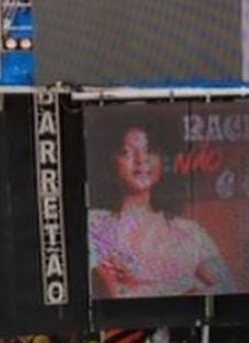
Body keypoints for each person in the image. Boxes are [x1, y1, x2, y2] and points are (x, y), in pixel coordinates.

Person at [88, 124, 234, 298]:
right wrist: (191, 283)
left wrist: (141, 284)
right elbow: (121, 295)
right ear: (110, 161)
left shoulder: (190, 232)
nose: (141, 160)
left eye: (149, 150)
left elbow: (227, 289)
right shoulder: (95, 224)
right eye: (126, 152)